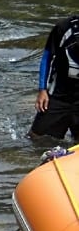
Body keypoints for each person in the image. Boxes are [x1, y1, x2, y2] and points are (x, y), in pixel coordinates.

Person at [30, 14, 79, 142]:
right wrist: (42, 90)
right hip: (59, 94)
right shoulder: (63, 28)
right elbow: (47, 57)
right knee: (36, 139)